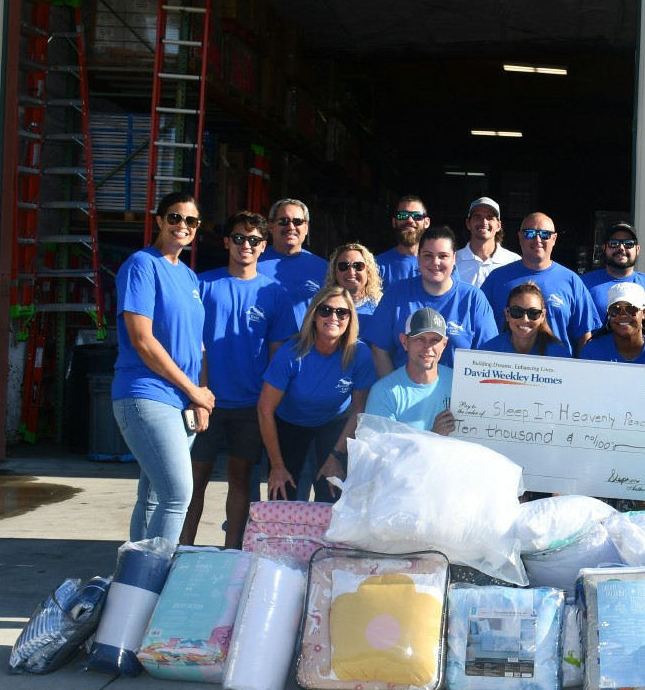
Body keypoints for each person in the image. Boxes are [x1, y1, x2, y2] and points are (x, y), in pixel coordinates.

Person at [112, 192, 214, 543]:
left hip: (180, 398)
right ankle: (154, 578)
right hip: (147, 393)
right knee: (177, 496)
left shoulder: (188, 276)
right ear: (158, 220)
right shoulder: (142, 265)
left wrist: (199, 397)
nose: (182, 226)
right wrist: (191, 390)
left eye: (191, 221)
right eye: (174, 217)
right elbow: (142, 340)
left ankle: (135, 582)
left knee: (155, 497)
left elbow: (197, 345)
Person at [181, 211, 284, 548]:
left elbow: (277, 354)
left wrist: (267, 405)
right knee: (193, 482)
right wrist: (198, 395)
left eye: (254, 240)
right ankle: (180, 552)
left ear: (264, 246)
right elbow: (193, 343)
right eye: (239, 238)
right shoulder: (202, 284)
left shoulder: (274, 292)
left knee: (241, 480)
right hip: (204, 401)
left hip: (250, 406)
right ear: (226, 242)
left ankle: (233, 554)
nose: (246, 245)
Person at [257, 286, 378, 503]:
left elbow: (359, 408)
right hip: (290, 422)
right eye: (326, 310)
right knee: (282, 493)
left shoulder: (360, 354)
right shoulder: (291, 352)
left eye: (342, 312)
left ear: (350, 318)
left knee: (333, 492)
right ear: (314, 315)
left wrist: (336, 456)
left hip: (334, 423)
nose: (334, 317)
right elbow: (265, 410)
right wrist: (276, 465)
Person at [363, 226, 495, 375]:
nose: (435, 262)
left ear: (454, 259)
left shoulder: (474, 299)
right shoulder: (397, 292)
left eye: (443, 256)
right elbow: (380, 350)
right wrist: (393, 392)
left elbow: (489, 357)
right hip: (405, 394)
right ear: (418, 258)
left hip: (457, 396)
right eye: (428, 255)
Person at [481, 212, 602, 349]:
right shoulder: (497, 279)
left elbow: (584, 337)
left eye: (545, 234)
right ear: (520, 237)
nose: (537, 239)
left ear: (554, 239)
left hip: (558, 367)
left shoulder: (571, 281)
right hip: (506, 368)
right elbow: (479, 329)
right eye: (530, 233)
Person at [364, 307, 458, 434]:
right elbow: (382, 450)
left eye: (434, 340)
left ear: (444, 344)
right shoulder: (383, 392)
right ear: (404, 341)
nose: (427, 347)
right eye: (420, 339)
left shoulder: (459, 383)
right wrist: (434, 435)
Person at [257, 197, 328, 335]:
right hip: (262, 351)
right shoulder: (253, 263)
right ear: (271, 226)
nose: (291, 227)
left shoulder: (324, 268)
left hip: (308, 352)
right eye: (283, 221)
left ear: (306, 228)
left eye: (298, 222)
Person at [580, 221, 645, 313]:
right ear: (604, 248)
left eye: (628, 243)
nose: (621, 248)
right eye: (614, 243)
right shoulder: (581, 285)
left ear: (637, 249)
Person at [479, 281, 573, 357]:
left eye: (533, 313)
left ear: (542, 316)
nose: (525, 319)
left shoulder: (559, 356)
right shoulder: (489, 352)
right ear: (507, 314)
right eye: (517, 312)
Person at [455, 196, 520, 289]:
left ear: (498, 225)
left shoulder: (514, 262)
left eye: (490, 218)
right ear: (468, 223)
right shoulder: (452, 261)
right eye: (477, 217)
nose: (484, 222)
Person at [375, 195, 430, 289]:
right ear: (393, 222)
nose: (409, 220)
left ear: (426, 222)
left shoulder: (441, 264)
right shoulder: (375, 266)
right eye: (402, 215)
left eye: (417, 216)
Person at [327, 243, 383, 320]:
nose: (351, 272)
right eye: (343, 266)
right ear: (334, 272)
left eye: (358, 266)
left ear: (368, 271)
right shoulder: (325, 306)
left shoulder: (382, 304)